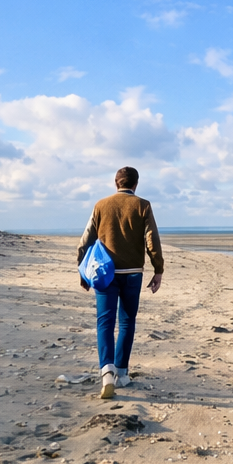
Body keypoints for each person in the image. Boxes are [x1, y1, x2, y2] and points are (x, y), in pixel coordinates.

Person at [77, 166, 164, 399]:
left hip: (104, 273)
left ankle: (106, 371)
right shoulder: (143, 205)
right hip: (133, 273)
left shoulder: (101, 205)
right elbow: (151, 240)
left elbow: (85, 240)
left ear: (116, 183)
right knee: (127, 322)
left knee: (104, 322)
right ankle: (122, 374)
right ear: (135, 184)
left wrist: (83, 272)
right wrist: (158, 269)